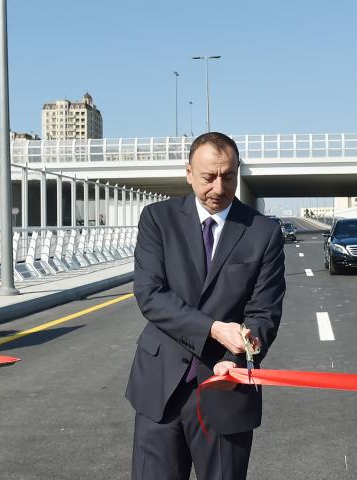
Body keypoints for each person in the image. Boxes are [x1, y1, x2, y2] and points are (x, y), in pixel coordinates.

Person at [126, 132, 286, 479]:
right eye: (208, 177)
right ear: (188, 173)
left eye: (228, 176)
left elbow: (264, 313)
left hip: (226, 389)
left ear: (238, 172)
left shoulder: (264, 232)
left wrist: (238, 357)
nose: (218, 187)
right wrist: (214, 329)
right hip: (160, 391)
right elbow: (150, 295)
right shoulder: (157, 219)